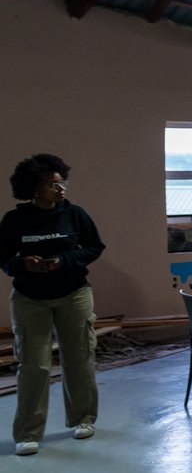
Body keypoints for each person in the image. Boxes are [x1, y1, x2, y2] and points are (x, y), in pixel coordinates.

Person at [1, 154, 105, 456]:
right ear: (34, 188)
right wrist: (23, 264)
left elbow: (94, 247)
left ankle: (83, 419)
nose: (60, 190)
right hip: (29, 298)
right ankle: (28, 433)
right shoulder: (15, 220)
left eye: (62, 183)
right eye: (52, 185)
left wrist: (65, 260)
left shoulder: (75, 215)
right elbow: (4, 258)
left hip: (73, 294)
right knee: (34, 365)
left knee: (80, 357)